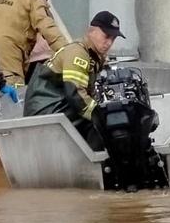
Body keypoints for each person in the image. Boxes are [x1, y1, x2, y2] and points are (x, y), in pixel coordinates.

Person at [23, 11, 123, 148]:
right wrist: (103, 115)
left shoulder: (93, 56)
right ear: (91, 31)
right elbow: (75, 95)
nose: (109, 42)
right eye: (106, 36)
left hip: (54, 107)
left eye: (113, 38)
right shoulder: (78, 53)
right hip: (46, 110)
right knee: (99, 124)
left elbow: (87, 94)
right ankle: (96, 163)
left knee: (101, 120)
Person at [0, 0, 67, 91]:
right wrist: (70, 54)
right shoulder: (33, 0)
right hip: (10, 67)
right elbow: (49, 30)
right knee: (14, 107)